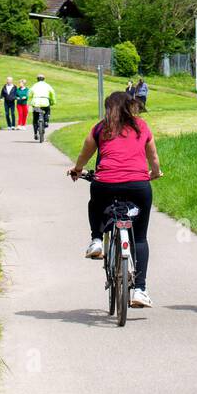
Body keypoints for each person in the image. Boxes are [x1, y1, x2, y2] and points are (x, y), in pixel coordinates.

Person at [68, 91, 162, 308]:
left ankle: (97, 240)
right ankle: (139, 289)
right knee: (139, 238)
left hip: (105, 184)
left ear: (109, 108)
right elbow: (153, 157)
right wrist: (155, 173)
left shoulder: (101, 128)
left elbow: (85, 152)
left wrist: (77, 169)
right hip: (139, 186)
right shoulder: (142, 127)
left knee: (96, 203)